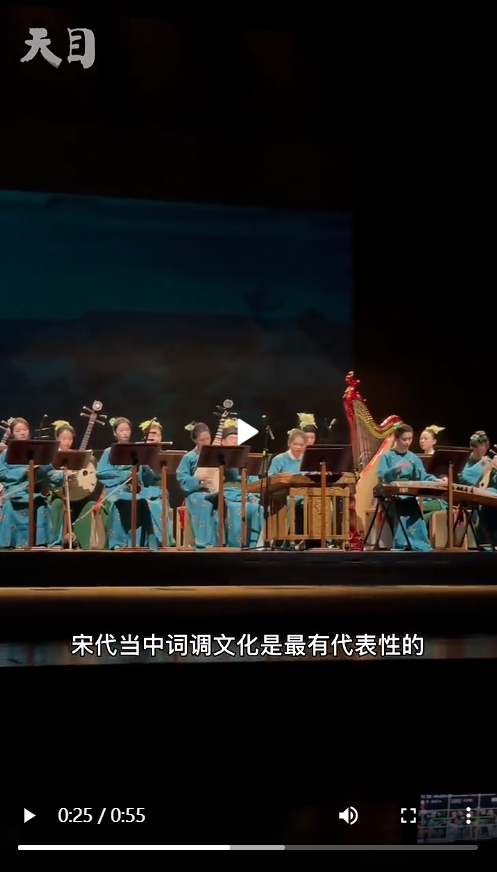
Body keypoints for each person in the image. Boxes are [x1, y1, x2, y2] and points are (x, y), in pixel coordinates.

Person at [95, 417, 162, 549]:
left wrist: (145, 467)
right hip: (116, 488)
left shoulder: (137, 449)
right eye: (121, 430)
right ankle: (118, 542)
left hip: (136, 488)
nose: (125, 433)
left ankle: (148, 540)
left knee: (147, 501)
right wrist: (124, 475)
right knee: (121, 500)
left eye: (127, 430)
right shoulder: (109, 451)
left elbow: (147, 479)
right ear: (115, 433)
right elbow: (101, 473)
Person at [376, 423, 445, 551]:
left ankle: (418, 543)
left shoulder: (413, 458)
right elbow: (381, 475)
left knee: (412, 506)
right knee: (402, 505)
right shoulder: (387, 456)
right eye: (404, 439)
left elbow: (423, 476)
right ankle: (402, 543)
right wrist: (395, 469)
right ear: (396, 439)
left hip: (408, 494)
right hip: (392, 495)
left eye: (410, 439)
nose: (407, 442)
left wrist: (437, 480)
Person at [0, 416, 63, 548]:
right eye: (18, 431)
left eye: (25, 429)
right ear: (12, 434)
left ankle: (39, 542)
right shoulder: (6, 453)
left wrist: (63, 475)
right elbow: (2, 473)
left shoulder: (39, 450)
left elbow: (49, 471)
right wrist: (23, 472)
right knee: (10, 505)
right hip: (15, 492)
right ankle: (11, 542)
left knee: (40, 504)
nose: (22, 433)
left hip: (34, 492)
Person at [49, 420, 98, 550]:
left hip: (76, 493)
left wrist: (89, 459)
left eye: (70, 439)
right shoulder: (52, 456)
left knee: (89, 504)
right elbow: (48, 475)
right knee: (57, 504)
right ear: (57, 438)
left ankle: (84, 543)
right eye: (64, 439)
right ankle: (55, 541)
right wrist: (63, 475)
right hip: (58, 494)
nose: (67, 442)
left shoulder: (76, 455)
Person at [216, 419, 263, 548]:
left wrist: (254, 496)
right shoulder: (216, 458)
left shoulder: (246, 459)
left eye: (237, 438)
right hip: (225, 495)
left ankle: (253, 545)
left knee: (258, 508)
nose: (235, 441)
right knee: (235, 508)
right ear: (222, 441)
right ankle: (234, 545)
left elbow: (253, 482)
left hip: (244, 495)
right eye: (231, 438)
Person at [176, 422, 217, 549]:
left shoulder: (216, 454)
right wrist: (197, 479)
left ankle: (222, 541)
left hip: (214, 490)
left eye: (208, 439)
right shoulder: (189, 457)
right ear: (195, 440)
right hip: (196, 493)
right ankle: (204, 542)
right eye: (202, 440)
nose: (206, 442)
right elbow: (182, 479)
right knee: (204, 500)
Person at [136, 418, 174, 546]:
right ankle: (143, 541)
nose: (153, 437)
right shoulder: (139, 454)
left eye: (156, 434)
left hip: (159, 491)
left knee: (154, 505)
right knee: (140, 502)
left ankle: (160, 539)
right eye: (150, 434)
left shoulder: (164, 455)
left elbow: (154, 477)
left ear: (161, 437)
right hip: (143, 491)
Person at [459, 432, 497, 548]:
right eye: (482, 446)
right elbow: (464, 477)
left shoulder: (489, 460)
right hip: (472, 496)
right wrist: (484, 466)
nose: (485, 449)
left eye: (486, 446)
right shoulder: (465, 460)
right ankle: (485, 541)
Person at [418, 424, 447, 523]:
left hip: (434, 495)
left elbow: (443, 477)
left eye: (425, 439)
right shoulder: (417, 458)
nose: (422, 441)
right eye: (421, 439)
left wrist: (441, 479)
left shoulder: (439, 458)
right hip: (421, 493)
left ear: (434, 441)